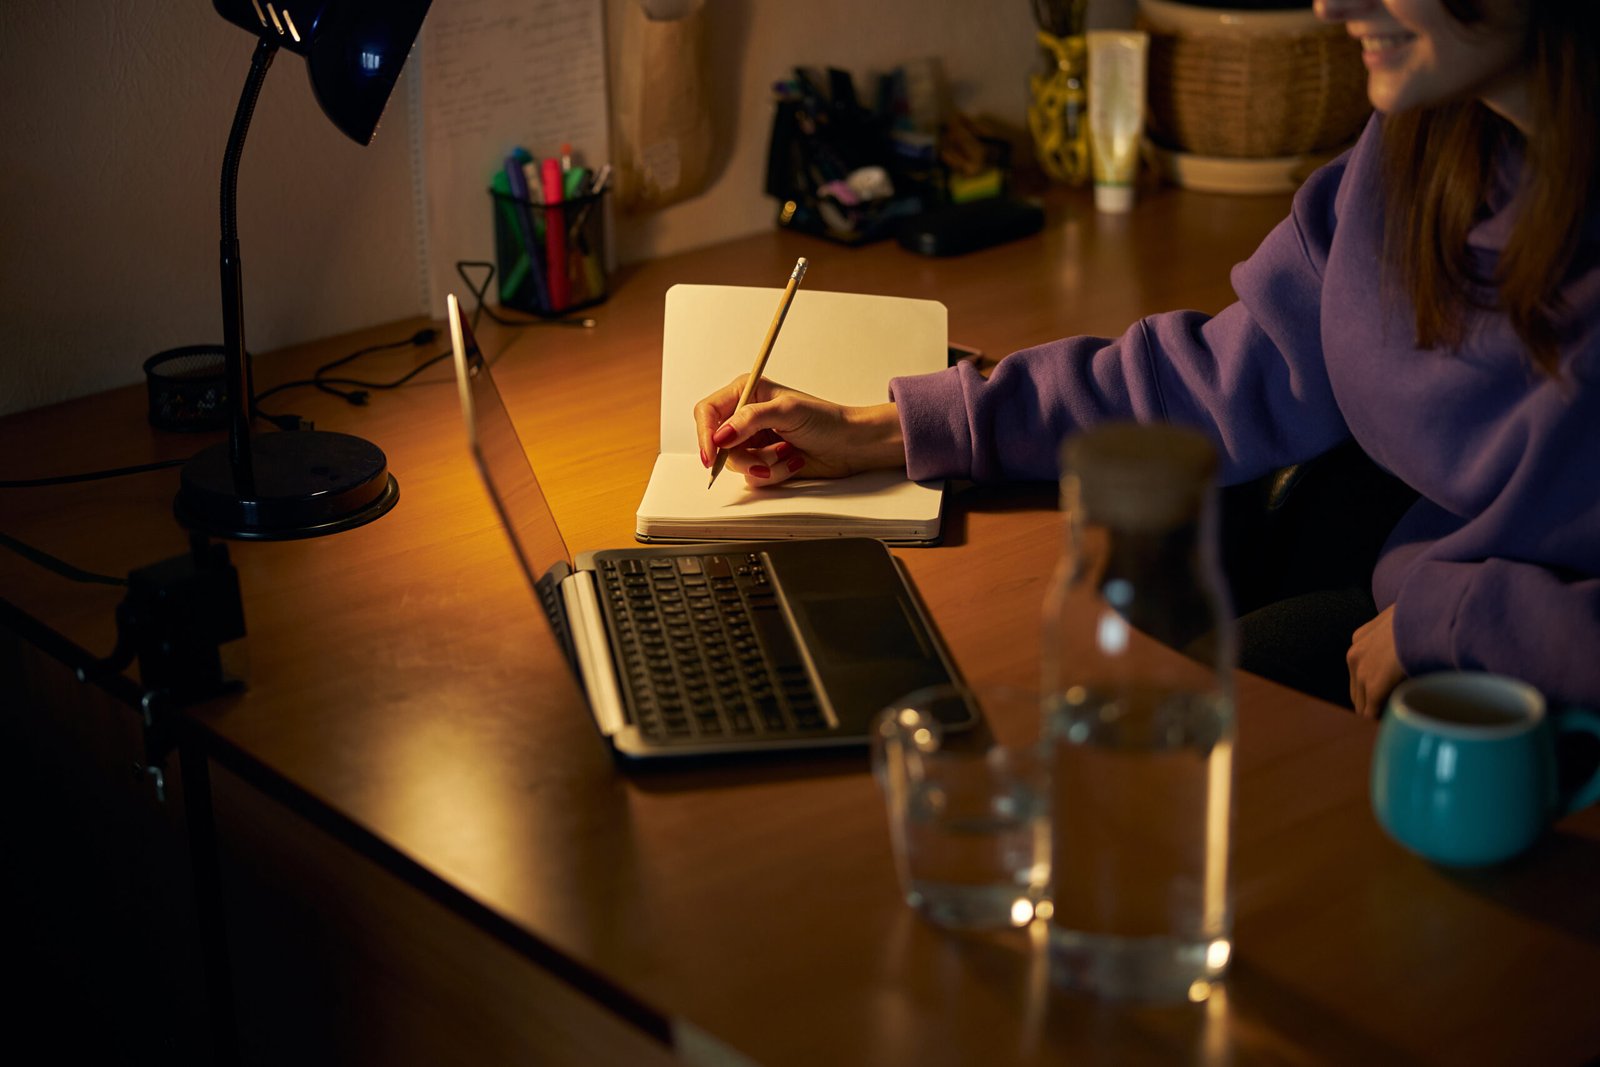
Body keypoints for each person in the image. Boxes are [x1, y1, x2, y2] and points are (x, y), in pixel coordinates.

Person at [694, 0, 1600, 717]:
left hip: (1524, 654)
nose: (1332, 4)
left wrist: (1475, 624)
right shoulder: (1421, 137)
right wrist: (891, 428)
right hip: (1419, 589)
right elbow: (1226, 373)